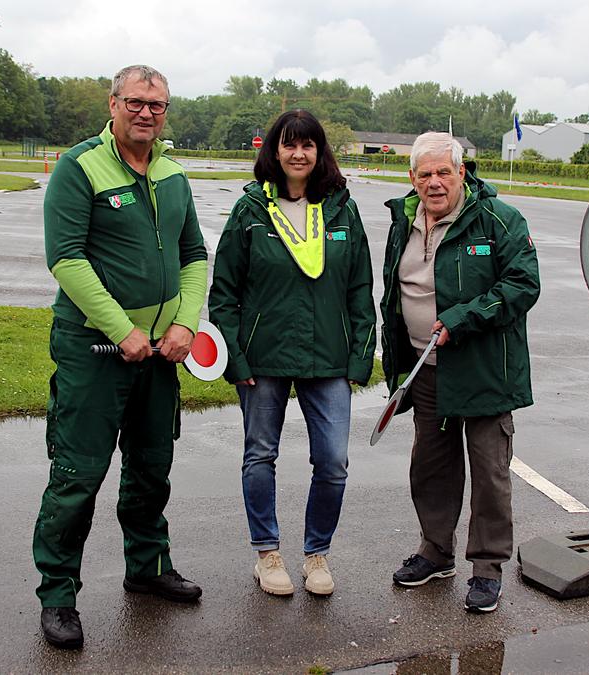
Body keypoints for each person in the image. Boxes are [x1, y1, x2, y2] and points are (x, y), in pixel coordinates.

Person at [33, 64, 208, 649]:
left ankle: (148, 567)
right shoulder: (79, 167)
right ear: (113, 104)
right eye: (135, 102)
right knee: (79, 474)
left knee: (152, 466)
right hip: (95, 349)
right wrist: (120, 328)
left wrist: (185, 323)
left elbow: (194, 256)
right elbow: (66, 258)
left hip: (162, 353)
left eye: (156, 105)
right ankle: (58, 593)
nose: (146, 113)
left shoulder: (174, 174)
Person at [208, 110, 376, 598]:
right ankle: (268, 554)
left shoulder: (343, 210)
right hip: (264, 359)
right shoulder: (250, 210)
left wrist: (360, 357)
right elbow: (225, 293)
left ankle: (317, 554)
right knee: (260, 454)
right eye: (289, 144)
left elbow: (361, 288)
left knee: (334, 462)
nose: (298, 153)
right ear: (274, 151)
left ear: (320, 152)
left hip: (328, 359)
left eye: (308, 145)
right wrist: (235, 359)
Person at [379, 132, 540, 613]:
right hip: (424, 370)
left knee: (490, 474)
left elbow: (523, 284)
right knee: (430, 467)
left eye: (443, 172)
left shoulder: (499, 220)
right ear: (412, 178)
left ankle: (487, 569)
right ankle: (435, 551)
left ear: (462, 173)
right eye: (424, 174)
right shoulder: (402, 221)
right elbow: (394, 292)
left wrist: (464, 317)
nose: (434, 182)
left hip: (485, 371)